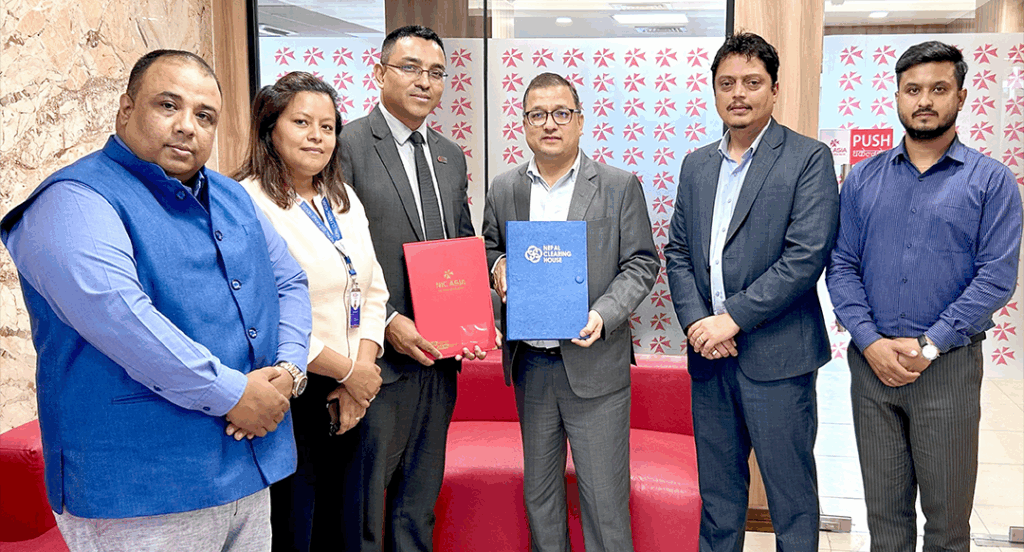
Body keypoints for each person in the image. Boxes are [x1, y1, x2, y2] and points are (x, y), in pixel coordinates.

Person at [0, 50, 312, 551]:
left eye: (205, 116)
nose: (187, 126)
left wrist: (290, 370)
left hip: (247, 467)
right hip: (140, 487)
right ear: (126, 110)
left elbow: (290, 281)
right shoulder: (74, 200)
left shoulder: (231, 196)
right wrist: (236, 394)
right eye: (168, 106)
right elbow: (123, 320)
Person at [827, 41, 1022, 552]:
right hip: (871, 369)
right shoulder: (863, 179)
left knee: (947, 525)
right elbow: (841, 266)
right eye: (913, 90)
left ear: (961, 96)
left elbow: (995, 278)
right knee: (884, 520)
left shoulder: (991, 181)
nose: (925, 101)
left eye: (939, 89)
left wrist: (929, 345)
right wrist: (869, 342)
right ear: (897, 96)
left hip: (947, 369)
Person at [664, 32, 840, 552]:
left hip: (779, 358)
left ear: (774, 89)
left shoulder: (808, 158)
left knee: (792, 500)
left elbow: (805, 257)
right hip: (709, 358)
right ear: (715, 91)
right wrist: (699, 324)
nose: (738, 93)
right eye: (727, 83)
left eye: (752, 82)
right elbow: (678, 252)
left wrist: (730, 318)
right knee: (718, 498)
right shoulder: (697, 164)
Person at [482, 72, 659, 552]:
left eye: (561, 113)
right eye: (538, 115)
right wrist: (498, 266)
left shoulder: (618, 186)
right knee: (540, 498)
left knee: (604, 502)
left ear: (580, 121)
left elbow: (642, 262)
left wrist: (604, 313)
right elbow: (490, 246)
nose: (550, 124)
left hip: (594, 365)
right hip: (532, 366)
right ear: (523, 124)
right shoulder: (505, 188)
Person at [337, 25, 496, 551]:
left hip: (441, 360)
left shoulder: (449, 155)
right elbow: (336, 254)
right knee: (363, 509)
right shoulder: (347, 145)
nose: (424, 81)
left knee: (418, 504)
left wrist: (478, 315)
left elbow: (462, 243)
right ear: (379, 73)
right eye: (409, 68)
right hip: (378, 360)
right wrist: (385, 323)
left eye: (435, 72)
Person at [232, 71, 388, 552]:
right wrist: (348, 373)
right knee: (295, 529)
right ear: (270, 128)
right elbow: (268, 312)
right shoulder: (247, 202)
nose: (317, 136)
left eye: (327, 126)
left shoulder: (341, 197)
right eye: (301, 122)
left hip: (355, 389)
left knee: (347, 530)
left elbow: (373, 289)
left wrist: (361, 374)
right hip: (294, 390)